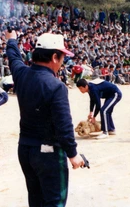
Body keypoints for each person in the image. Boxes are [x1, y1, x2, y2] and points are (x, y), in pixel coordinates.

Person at [6, 31, 84, 206]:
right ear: (55, 57)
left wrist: (11, 39)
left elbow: (13, 57)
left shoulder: (21, 74)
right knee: (54, 202)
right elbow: (64, 126)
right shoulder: (56, 86)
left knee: (36, 201)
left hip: (25, 149)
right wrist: (73, 154)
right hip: (49, 155)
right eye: (63, 57)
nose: (63, 62)